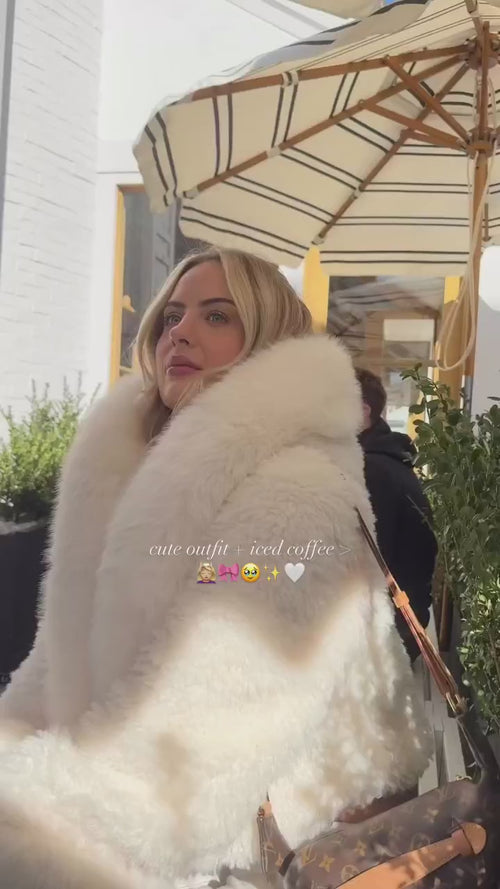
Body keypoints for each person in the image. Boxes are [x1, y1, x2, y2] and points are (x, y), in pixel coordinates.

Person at [0, 248, 431, 889]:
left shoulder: (299, 493)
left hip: (251, 855)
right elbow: (56, 667)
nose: (180, 331)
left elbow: (194, 755)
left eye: (218, 315)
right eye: (172, 315)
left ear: (267, 344)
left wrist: (23, 820)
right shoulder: (137, 477)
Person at [355, 368, 438, 662]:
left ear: (363, 410)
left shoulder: (374, 469)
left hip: (389, 636)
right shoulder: (388, 459)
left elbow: (371, 559)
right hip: (402, 623)